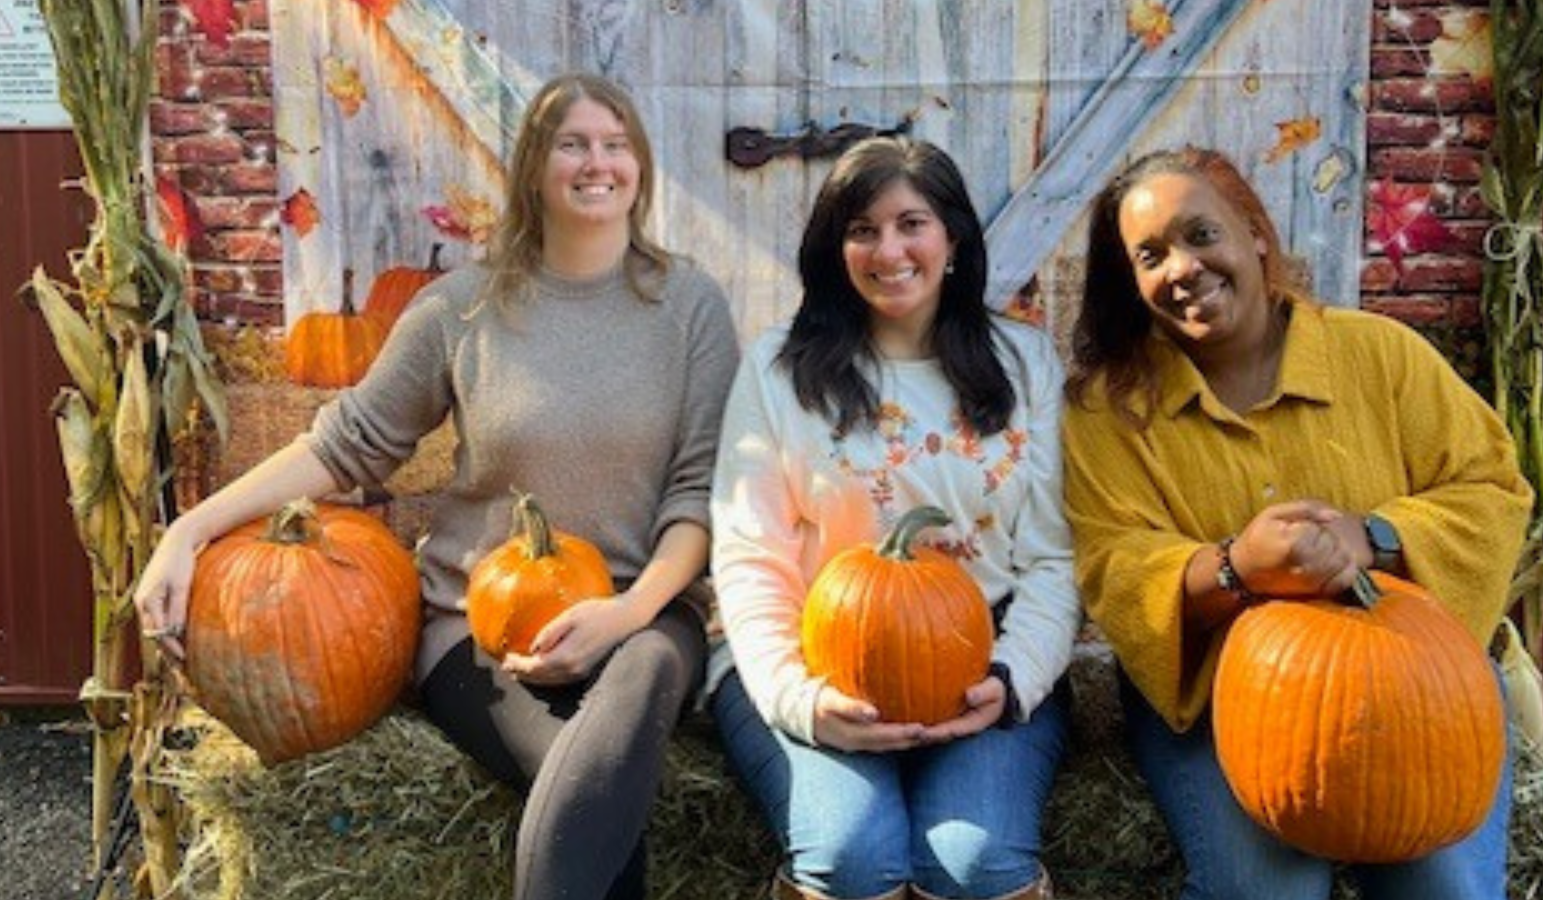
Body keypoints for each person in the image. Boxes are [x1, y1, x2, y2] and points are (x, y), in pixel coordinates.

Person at [133, 72, 740, 900]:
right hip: (480, 631)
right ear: (533, 166)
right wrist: (189, 530)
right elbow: (346, 445)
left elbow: (698, 496)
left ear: (639, 165)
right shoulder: (464, 308)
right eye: (573, 143)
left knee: (637, 684)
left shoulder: (691, 308)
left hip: (642, 611)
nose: (597, 163)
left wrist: (627, 614)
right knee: (594, 792)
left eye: (615, 144)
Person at [1061, 146, 1533, 900]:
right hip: (1221, 698)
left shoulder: (1380, 355)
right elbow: (1114, 561)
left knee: (1444, 885)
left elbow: (1492, 486)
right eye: (1150, 255)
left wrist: (1374, 536)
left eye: (1200, 236)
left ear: (1253, 233)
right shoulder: (1110, 411)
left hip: (1419, 685)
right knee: (1266, 891)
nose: (1181, 267)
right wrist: (1233, 569)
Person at [709, 136, 1079, 900]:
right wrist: (802, 703)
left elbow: (1053, 557)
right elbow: (751, 558)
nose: (889, 250)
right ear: (834, 247)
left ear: (952, 238)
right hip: (819, 664)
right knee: (851, 854)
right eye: (862, 230)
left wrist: (1011, 681)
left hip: (983, 666)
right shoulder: (781, 370)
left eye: (911, 223)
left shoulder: (1024, 364)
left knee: (974, 864)